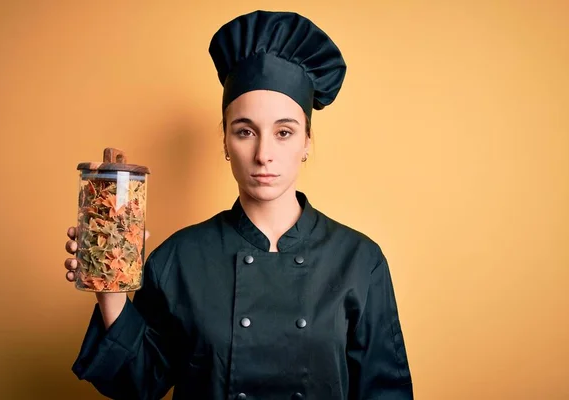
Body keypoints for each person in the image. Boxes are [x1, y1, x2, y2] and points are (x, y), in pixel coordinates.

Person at [65, 10, 413, 400]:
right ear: (226, 144)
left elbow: (387, 393)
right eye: (245, 131)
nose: (264, 154)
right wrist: (109, 287)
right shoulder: (178, 258)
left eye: (284, 132)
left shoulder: (360, 261)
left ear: (307, 143)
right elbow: (136, 384)